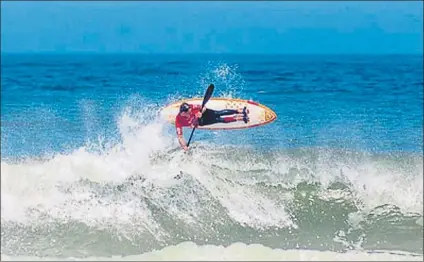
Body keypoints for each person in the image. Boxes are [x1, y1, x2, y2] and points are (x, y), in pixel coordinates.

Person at [175, 102, 249, 151]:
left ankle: (240, 111)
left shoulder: (191, 107)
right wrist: (184, 146)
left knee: (218, 113)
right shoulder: (178, 120)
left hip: (205, 113)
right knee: (220, 120)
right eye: (188, 112)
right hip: (201, 121)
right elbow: (180, 137)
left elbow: (203, 107)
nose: (190, 112)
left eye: (190, 111)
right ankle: (241, 118)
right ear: (183, 113)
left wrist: (200, 112)